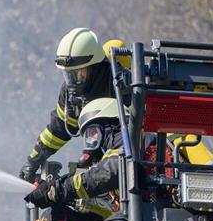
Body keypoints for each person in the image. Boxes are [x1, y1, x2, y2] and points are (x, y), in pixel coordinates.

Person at [18, 28, 129, 183]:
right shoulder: (69, 92)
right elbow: (59, 128)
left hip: (123, 162)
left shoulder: (119, 82)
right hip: (98, 169)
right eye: (67, 74)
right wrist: (33, 160)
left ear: (93, 65)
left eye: (77, 73)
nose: (72, 81)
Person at [24, 97, 128, 221]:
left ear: (111, 125)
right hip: (146, 220)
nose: (90, 143)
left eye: (92, 134)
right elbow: (108, 216)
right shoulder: (117, 185)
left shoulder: (129, 140)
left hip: (154, 215)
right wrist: (72, 219)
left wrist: (58, 190)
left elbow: (107, 174)